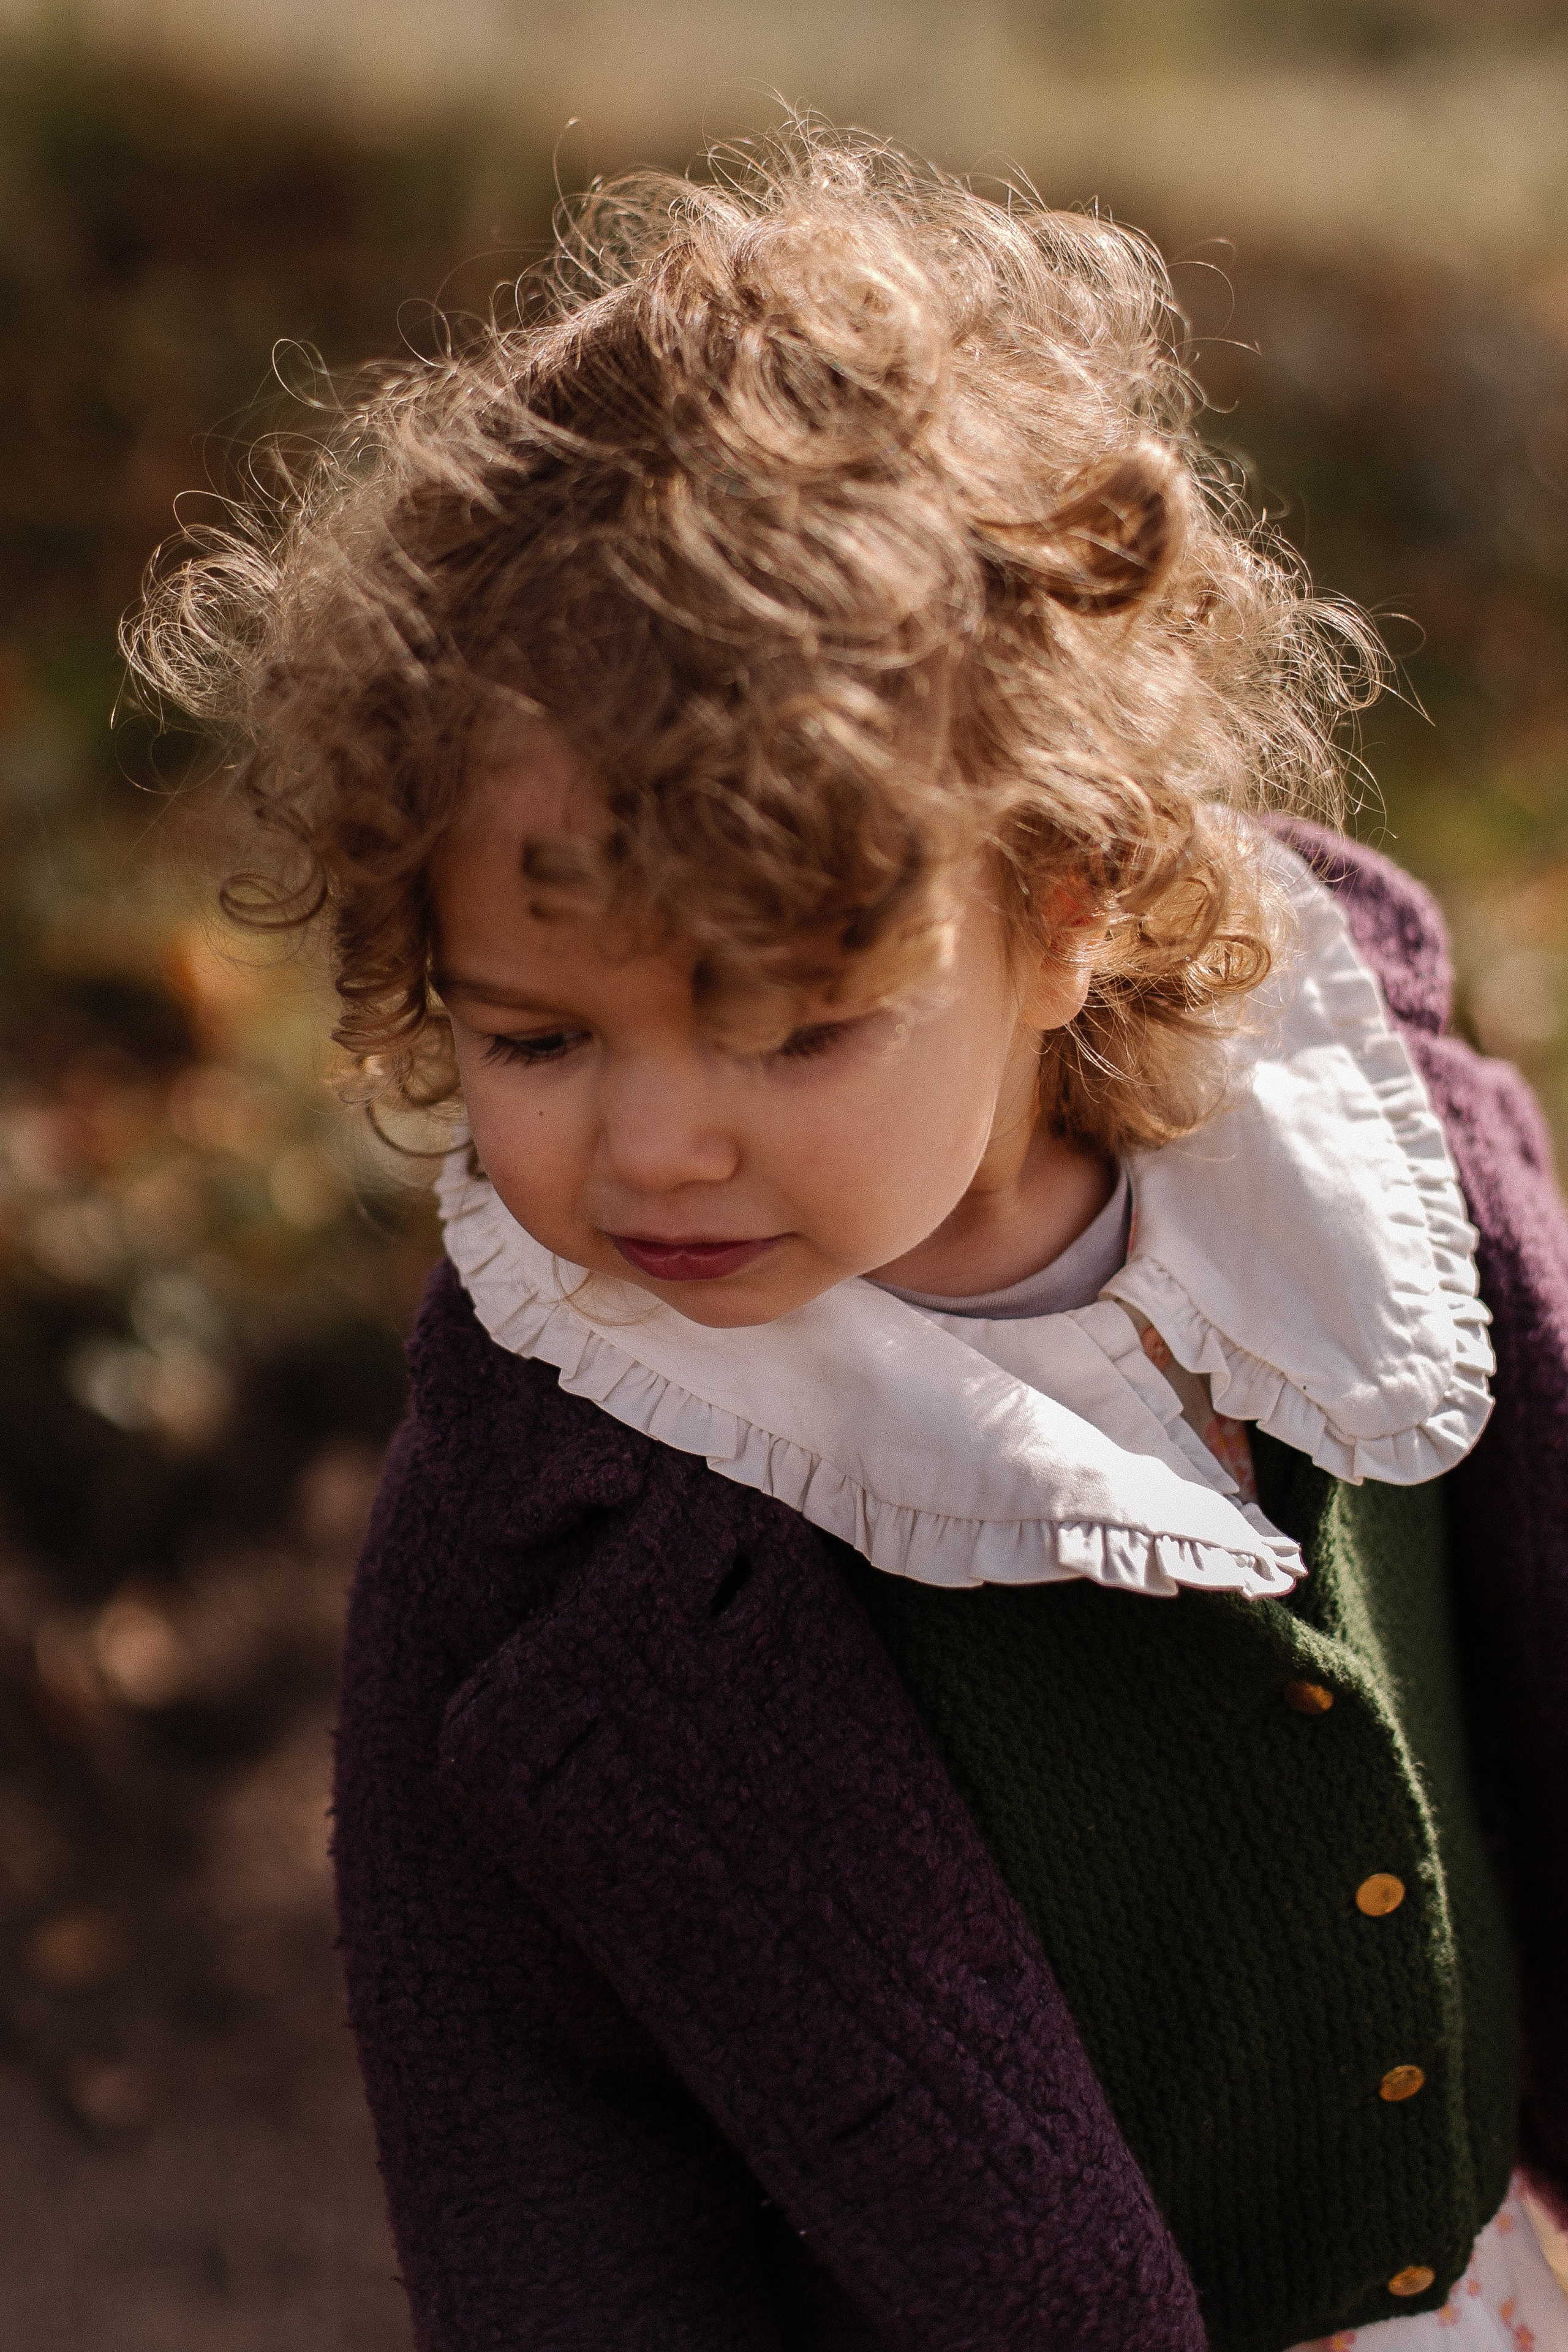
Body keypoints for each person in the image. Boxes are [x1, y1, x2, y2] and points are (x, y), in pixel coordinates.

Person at [128, 122, 1568, 2352]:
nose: (655, 1151)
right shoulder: (552, 1529)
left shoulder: (1352, 1171)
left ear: (1062, 911)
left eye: (791, 1035)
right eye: (534, 1037)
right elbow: (521, 2146)